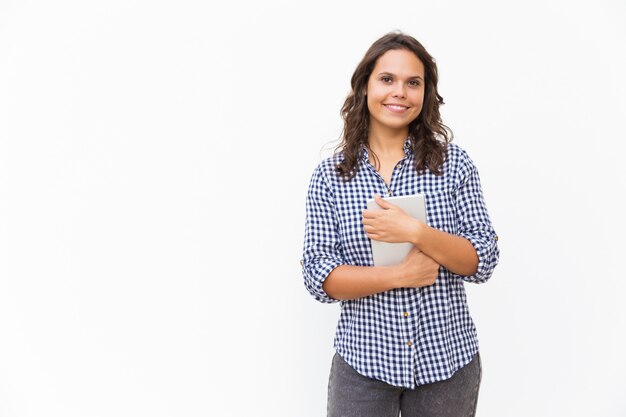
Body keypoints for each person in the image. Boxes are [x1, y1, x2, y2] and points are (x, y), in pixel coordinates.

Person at [301, 31, 500, 417]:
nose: (400, 92)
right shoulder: (331, 176)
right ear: (364, 87)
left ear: (426, 94)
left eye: (413, 83)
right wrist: (400, 275)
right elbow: (318, 276)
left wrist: (415, 232)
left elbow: (484, 258)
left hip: (446, 365)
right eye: (387, 79)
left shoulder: (454, 164)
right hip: (362, 368)